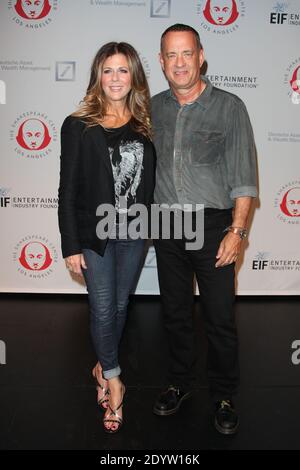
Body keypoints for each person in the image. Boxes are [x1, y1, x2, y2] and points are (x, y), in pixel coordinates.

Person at [151, 24, 257, 435]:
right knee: (175, 314)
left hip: (214, 226)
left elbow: (244, 177)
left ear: (201, 56)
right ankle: (179, 383)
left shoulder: (230, 107)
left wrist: (238, 230)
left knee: (219, 317)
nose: (179, 63)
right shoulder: (151, 108)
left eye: (186, 53)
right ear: (161, 62)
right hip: (165, 224)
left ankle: (224, 394)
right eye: (171, 55)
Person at [58, 42, 156, 433]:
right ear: (98, 76)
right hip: (94, 234)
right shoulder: (78, 124)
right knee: (101, 308)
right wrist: (70, 245)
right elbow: (67, 191)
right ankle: (114, 381)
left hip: (134, 232)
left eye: (123, 70)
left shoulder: (145, 122)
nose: (115, 79)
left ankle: (102, 365)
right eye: (107, 70)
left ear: (134, 76)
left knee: (118, 306)